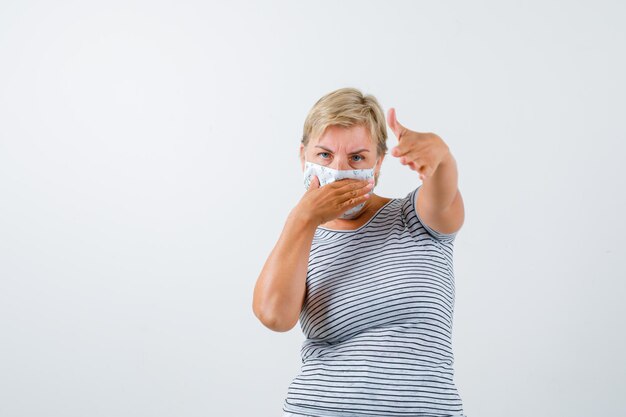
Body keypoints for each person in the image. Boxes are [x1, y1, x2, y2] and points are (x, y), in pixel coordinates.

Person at [252, 87, 467, 417]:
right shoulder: (302, 239)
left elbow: (443, 191)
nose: (338, 170)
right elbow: (274, 316)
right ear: (302, 156)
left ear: (378, 162)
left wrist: (441, 157)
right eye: (324, 155)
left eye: (357, 158)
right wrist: (302, 218)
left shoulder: (417, 218)